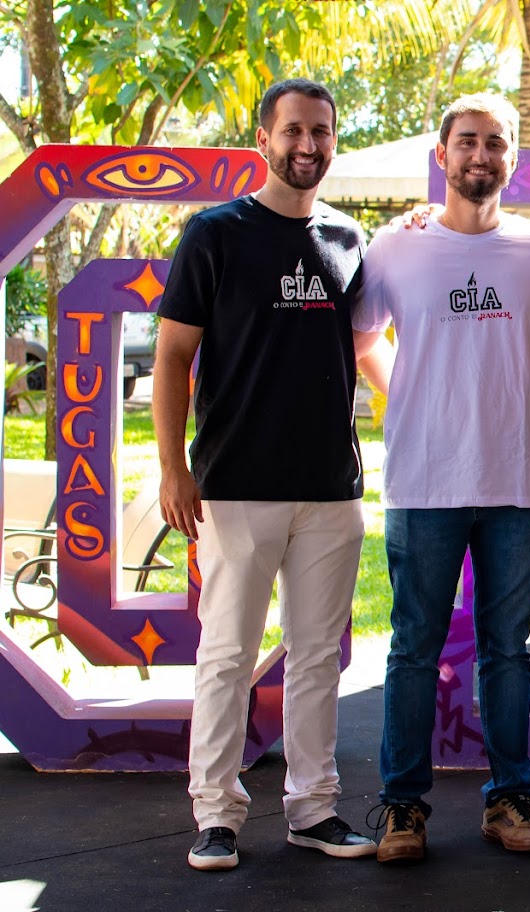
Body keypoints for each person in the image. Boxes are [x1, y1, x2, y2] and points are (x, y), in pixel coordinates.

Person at [352, 93, 530, 865]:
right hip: (424, 483)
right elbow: (360, 340)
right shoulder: (395, 247)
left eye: (495, 143)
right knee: (413, 649)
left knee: (508, 651)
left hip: (519, 484)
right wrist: (411, 396)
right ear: (442, 154)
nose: (480, 155)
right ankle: (403, 805)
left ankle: (511, 796)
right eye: (467, 141)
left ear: (512, 159)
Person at [155, 78, 379, 872]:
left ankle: (313, 810)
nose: (307, 145)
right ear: (264, 138)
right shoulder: (215, 233)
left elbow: (366, 346)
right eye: (293, 130)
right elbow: (173, 357)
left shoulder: (350, 239)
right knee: (227, 656)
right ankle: (215, 815)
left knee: (318, 657)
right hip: (235, 484)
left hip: (331, 488)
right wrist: (173, 469)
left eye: (321, 131)